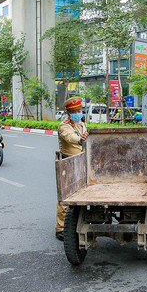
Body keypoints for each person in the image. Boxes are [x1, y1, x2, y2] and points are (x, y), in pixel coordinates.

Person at [56, 97, 88, 241]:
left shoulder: (81, 123)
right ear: (68, 112)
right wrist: (80, 139)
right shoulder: (64, 126)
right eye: (75, 111)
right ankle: (60, 228)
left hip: (82, 161)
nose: (78, 113)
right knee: (66, 195)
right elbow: (69, 137)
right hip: (68, 163)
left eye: (79, 110)